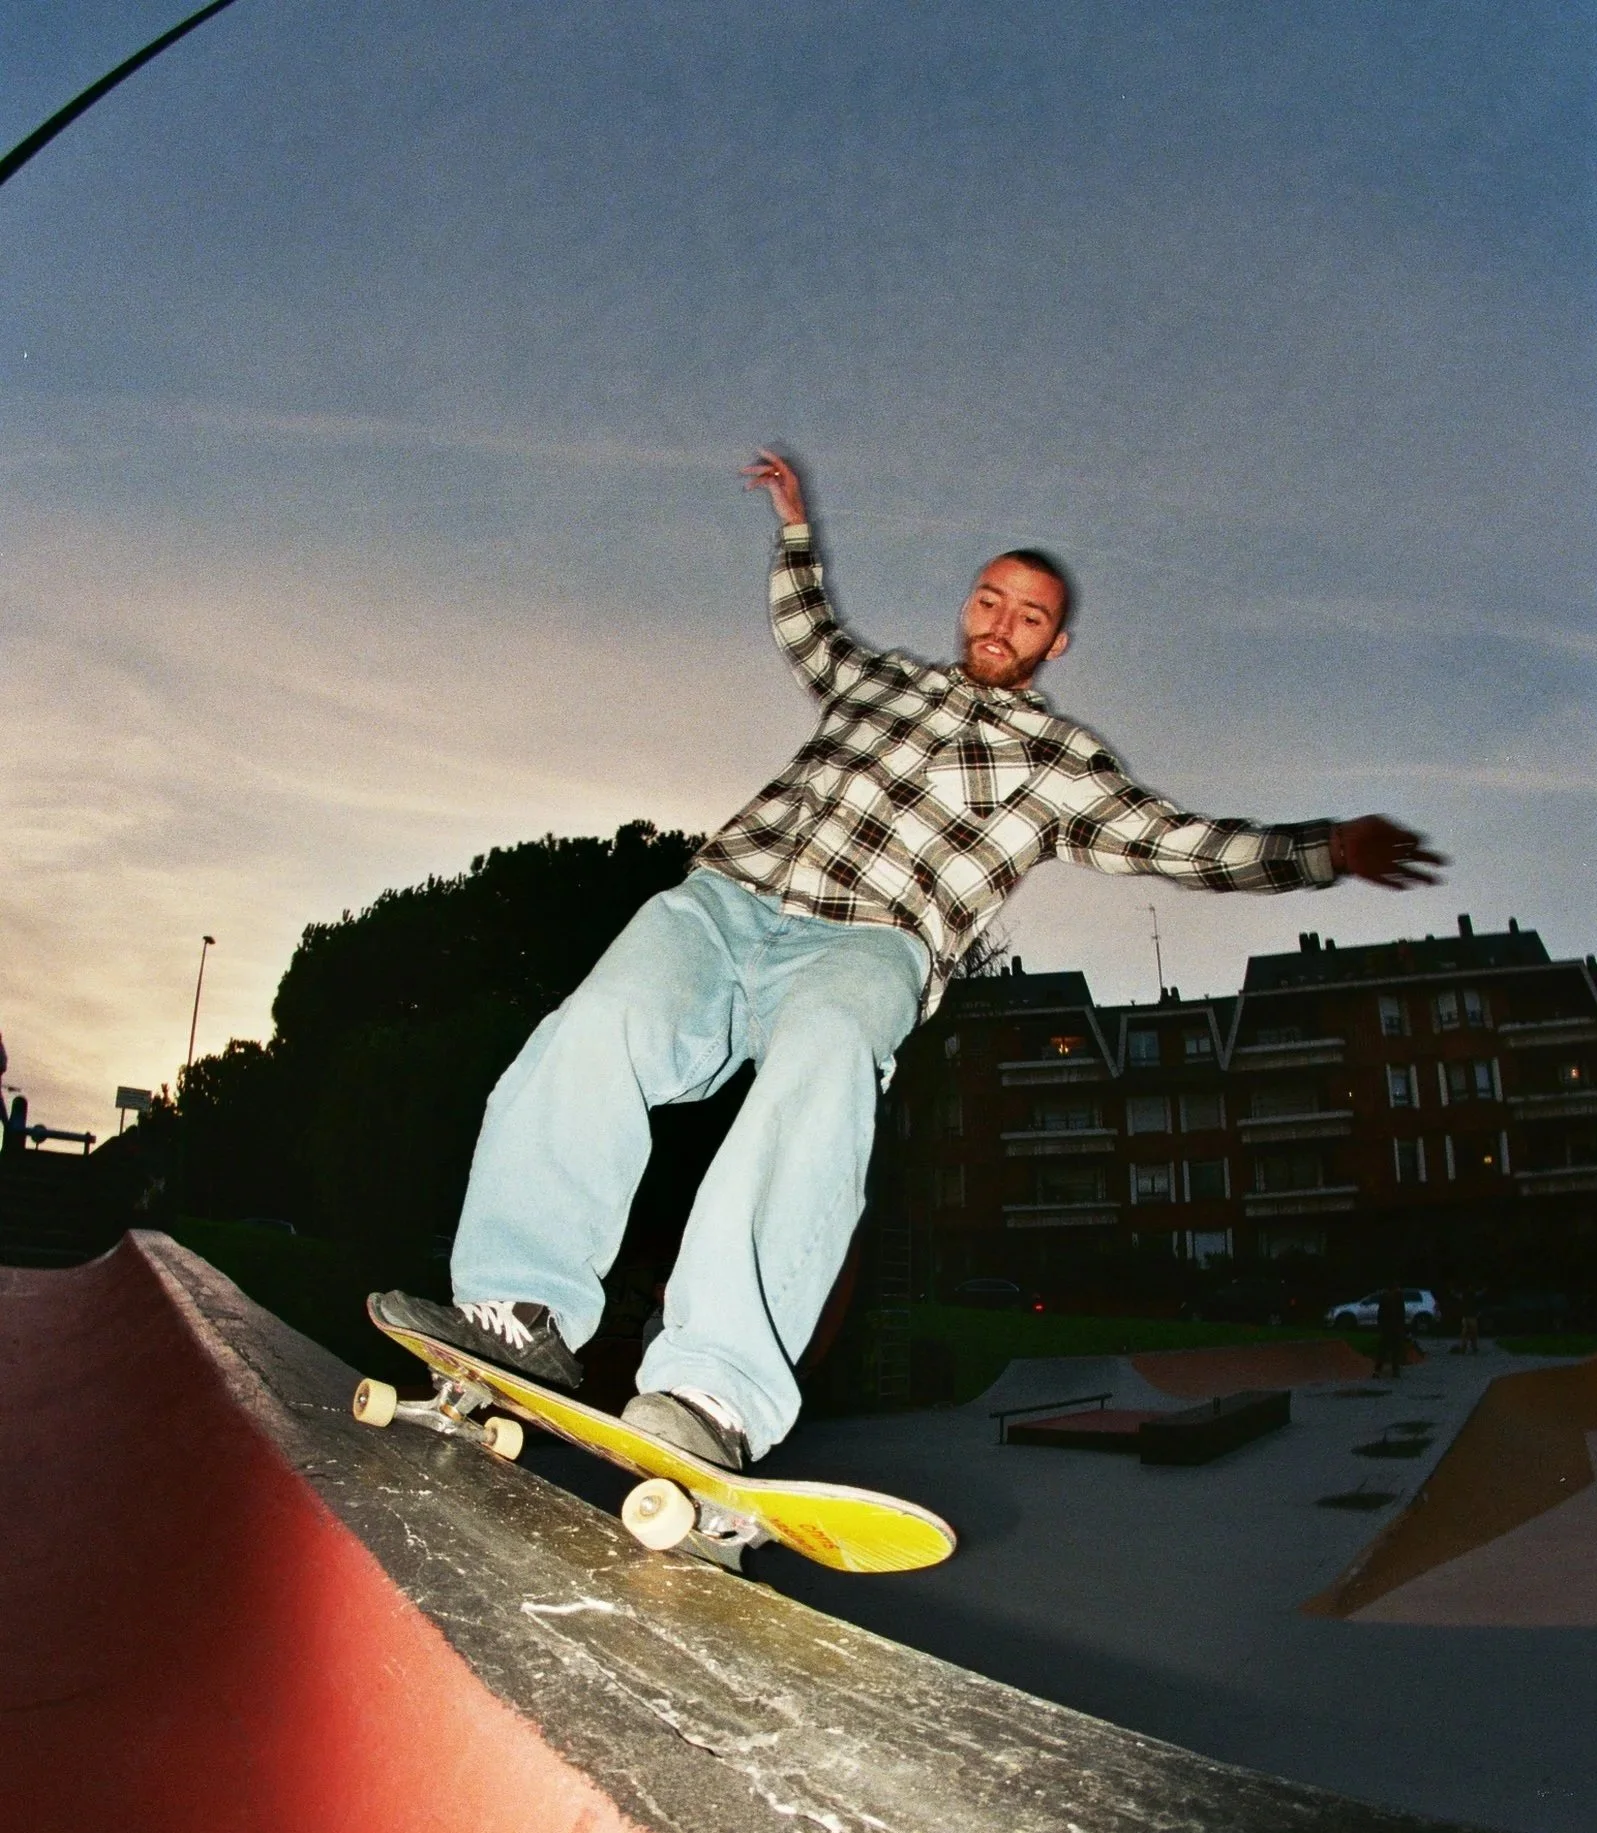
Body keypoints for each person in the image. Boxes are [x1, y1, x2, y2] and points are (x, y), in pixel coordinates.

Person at [377, 451, 1445, 1469]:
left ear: (1054, 645)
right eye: (990, 600)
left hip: (869, 944)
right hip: (724, 902)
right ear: (967, 604)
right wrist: (795, 532)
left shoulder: (1061, 763)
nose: (1003, 624)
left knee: (825, 1067)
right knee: (596, 1028)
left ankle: (710, 1388)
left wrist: (1319, 852)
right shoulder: (878, 682)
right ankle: (518, 1311)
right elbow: (809, 632)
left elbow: (1180, 842)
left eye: (1030, 616)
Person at [1372, 1282, 1410, 1378]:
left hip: (1387, 1327)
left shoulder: (1385, 1297)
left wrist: (1380, 1326)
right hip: (1395, 1327)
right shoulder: (1399, 1297)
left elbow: (1380, 1313)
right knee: (1395, 1349)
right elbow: (1401, 1313)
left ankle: (1378, 1370)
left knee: (1383, 1349)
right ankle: (1395, 1370)